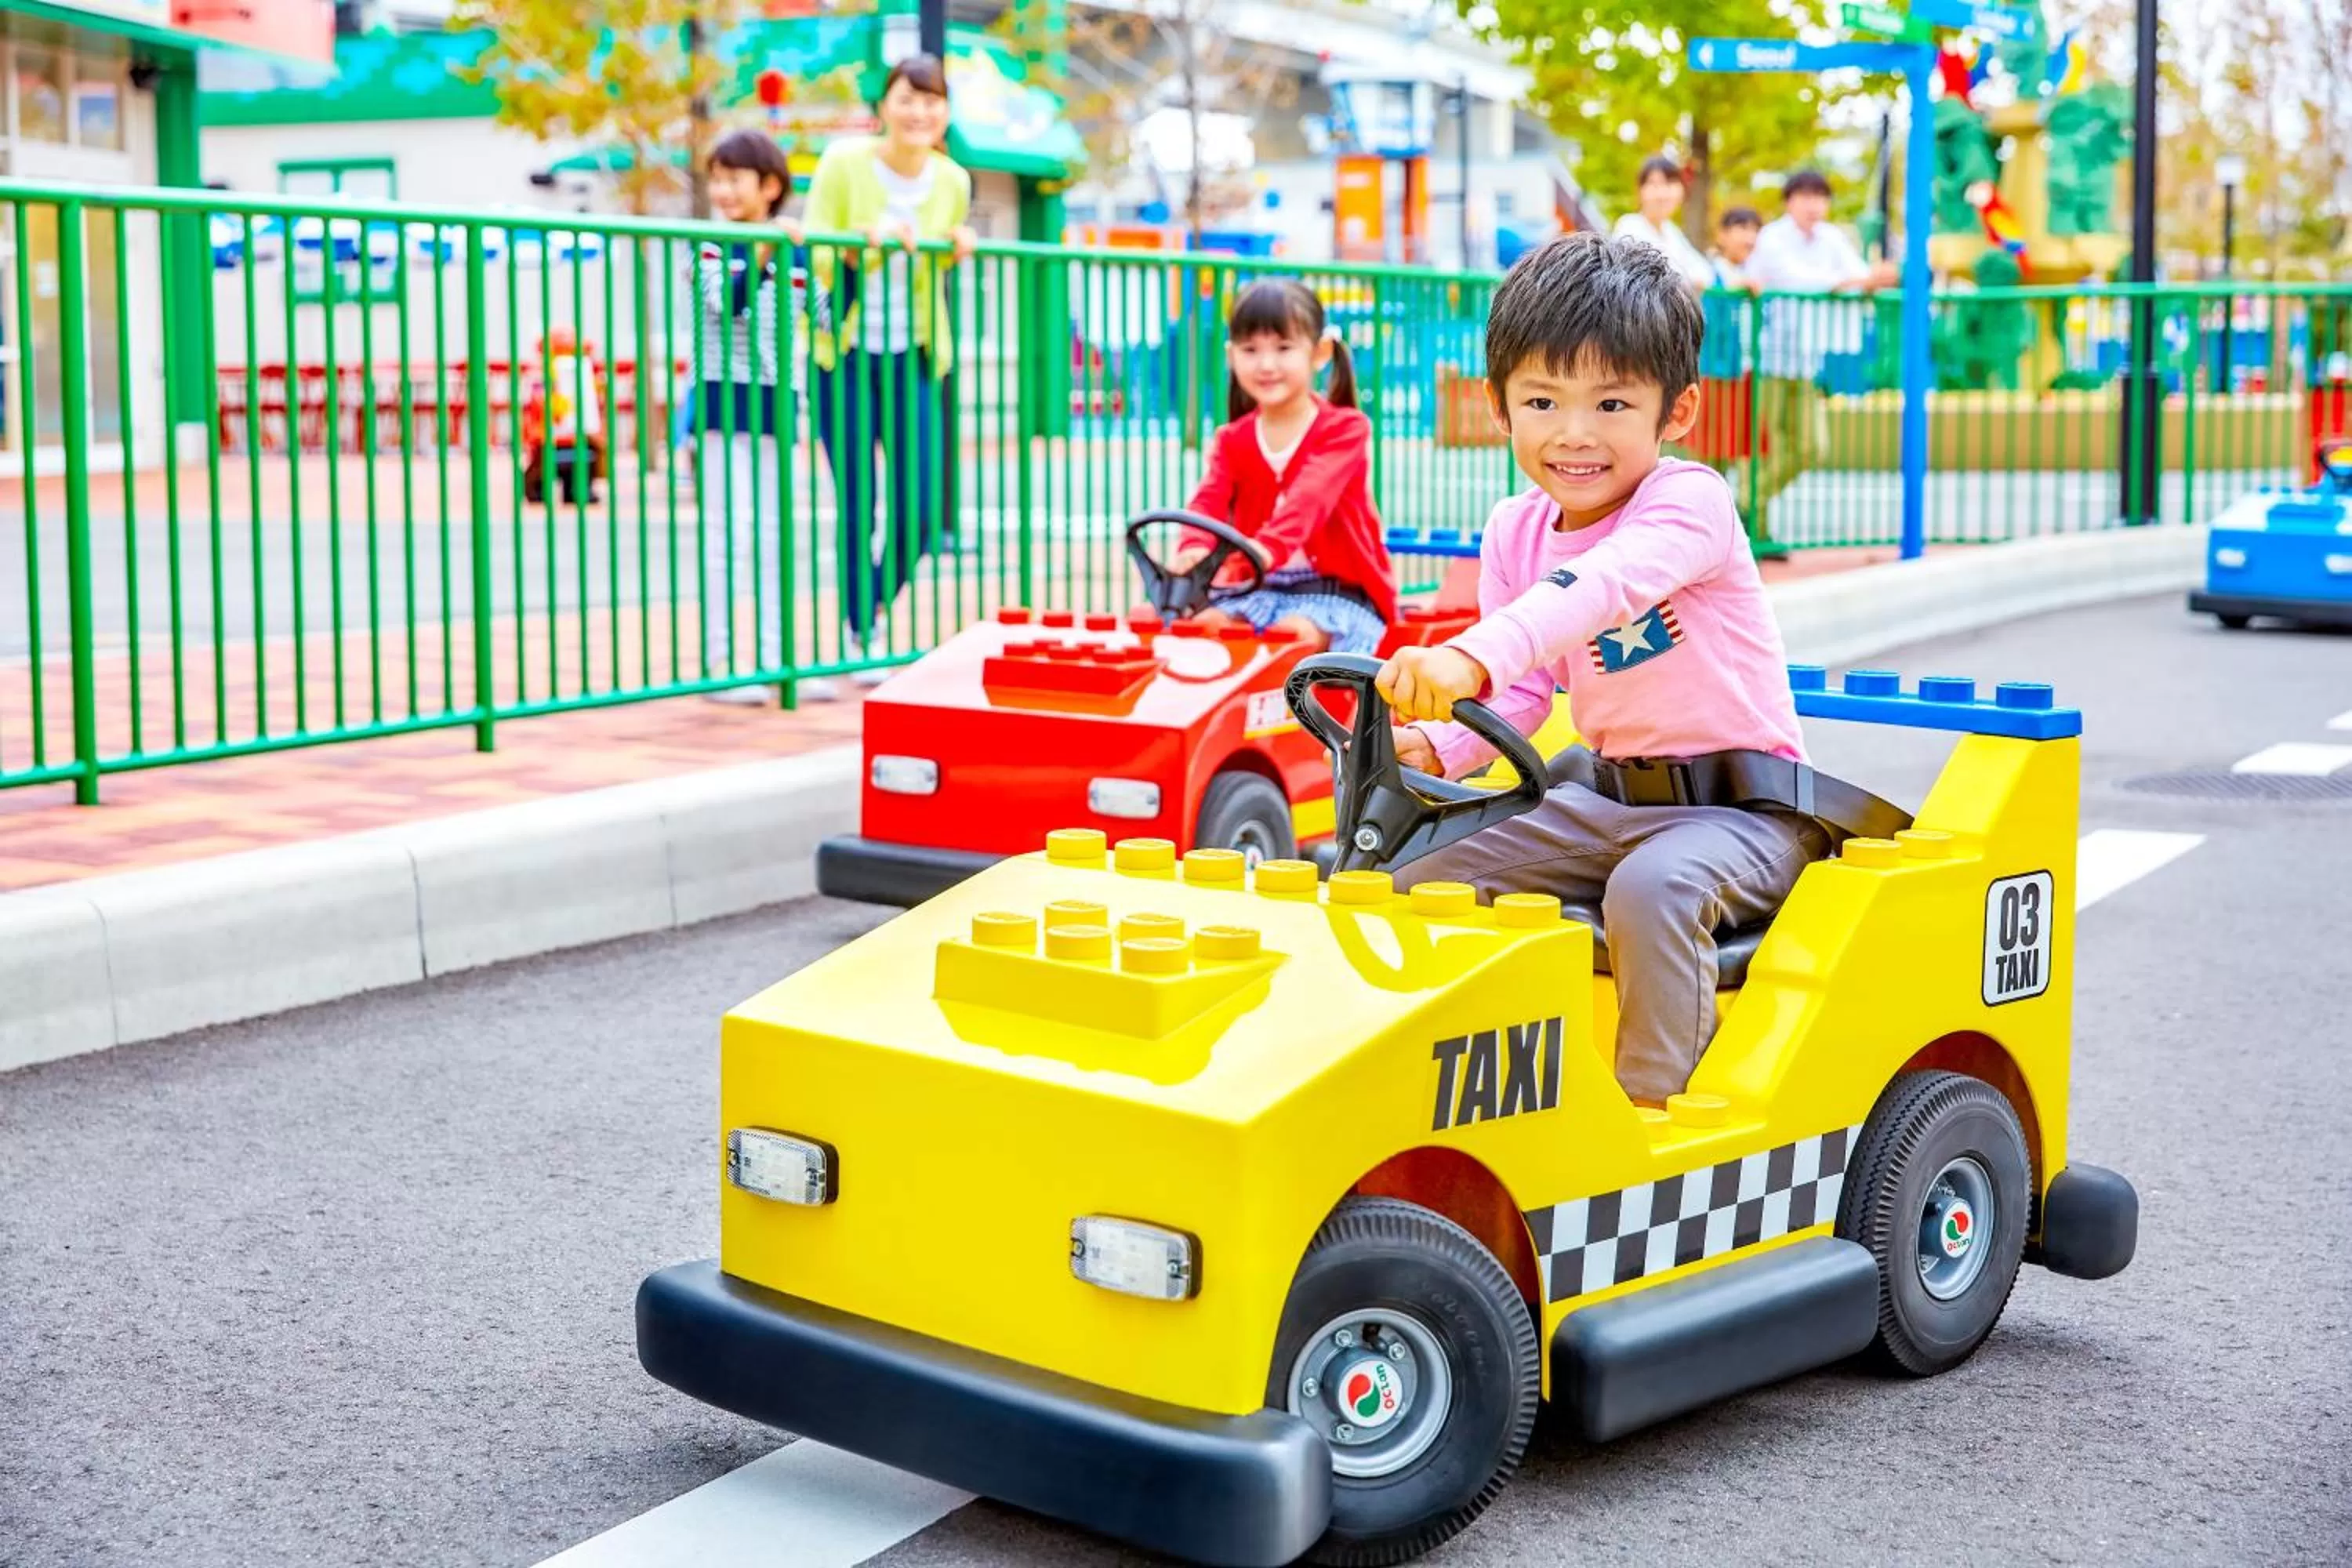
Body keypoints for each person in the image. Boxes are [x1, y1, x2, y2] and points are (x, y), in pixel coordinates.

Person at [1373, 232, 1834, 1108]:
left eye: (1613, 403)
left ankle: (1655, 1124)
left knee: (1654, 889)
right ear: (1499, 407)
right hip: (1612, 799)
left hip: (1745, 812)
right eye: (1543, 401)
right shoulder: (1515, 528)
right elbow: (1522, 691)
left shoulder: (1689, 502)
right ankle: (1459, 1093)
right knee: (1412, 871)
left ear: (1678, 410)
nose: (1575, 434)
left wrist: (1472, 652)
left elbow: (1603, 586)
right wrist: (1436, 747)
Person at [804, 53, 977, 684]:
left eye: (931, 101)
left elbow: (936, 257)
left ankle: (870, 604)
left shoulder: (954, 180)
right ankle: (860, 632)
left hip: (915, 358)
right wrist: (861, 246)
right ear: (884, 105)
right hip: (845, 356)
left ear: (946, 113)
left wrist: (954, 247)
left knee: (922, 507)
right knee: (860, 499)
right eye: (907, 98)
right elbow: (814, 253)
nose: (918, 112)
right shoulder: (844, 163)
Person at [1175, 278, 1397, 653]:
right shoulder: (1232, 440)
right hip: (1258, 589)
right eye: (1250, 350)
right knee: (1204, 628)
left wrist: (1266, 549)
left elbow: (1309, 498)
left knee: (1293, 639)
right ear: (1231, 355)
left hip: (1336, 594)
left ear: (1319, 352)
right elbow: (1208, 501)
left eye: (1283, 348)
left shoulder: (1345, 430)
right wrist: (1194, 546)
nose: (1266, 365)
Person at [693, 129, 811, 705]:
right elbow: (727, 303)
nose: (722, 190)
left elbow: (828, 309)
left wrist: (852, 260)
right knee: (726, 533)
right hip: (722, 401)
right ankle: (719, 663)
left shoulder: (796, 249)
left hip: (776, 404)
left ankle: (776, 658)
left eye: (734, 179)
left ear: (770, 186)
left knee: (776, 535)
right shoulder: (710, 245)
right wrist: (766, 254)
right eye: (716, 179)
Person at [1739, 170, 1900, 539]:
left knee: (1812, 447)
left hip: (1805, 360)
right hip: (1766, 358)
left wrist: (1867, 280)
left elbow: (1857, 276)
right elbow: (1798, 280)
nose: (1813, 205)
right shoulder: (1773, 237)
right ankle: (1757, 530)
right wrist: (1857, 281)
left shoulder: (1831, 238)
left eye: (1820, 197)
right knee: (1764, 444)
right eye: (1805, 197)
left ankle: (1746, 503)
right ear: (1789, 201)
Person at [1610, 156, 1714, 293]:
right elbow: (1648, 277)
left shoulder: (1672, 232)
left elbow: (1704, 272)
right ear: (1640, 191)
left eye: (1669, 183)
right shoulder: (1629, 226)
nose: (1662, 193)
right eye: (1654, 184)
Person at [1711, 206, 1762, 291]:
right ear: (1722, 234)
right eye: (1743, 228)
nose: (1751, 239)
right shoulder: (1706, 271)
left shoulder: (1752, 272)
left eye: (1756, 231)